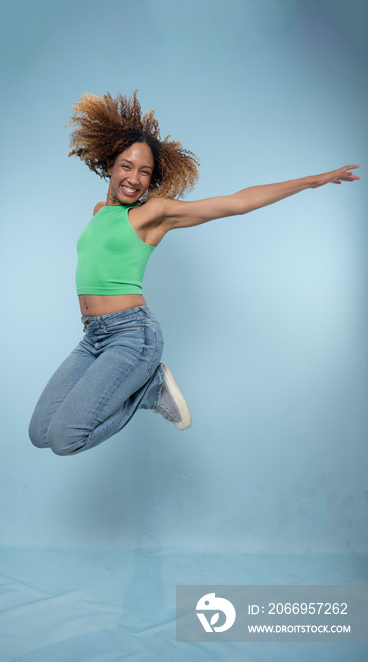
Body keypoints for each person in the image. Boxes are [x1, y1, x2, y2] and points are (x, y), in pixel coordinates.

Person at [28, 91, 360, 457]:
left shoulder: (152, 213)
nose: (134, 178)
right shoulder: (98, 212)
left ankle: (149, 390)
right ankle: (147, 389)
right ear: (109, 163)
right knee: (41, 432)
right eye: (126, 165)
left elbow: (236, 203)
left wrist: (314, 180)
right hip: (93, 338)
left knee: (64, 440)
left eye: (144, 172)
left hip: (131, 336)